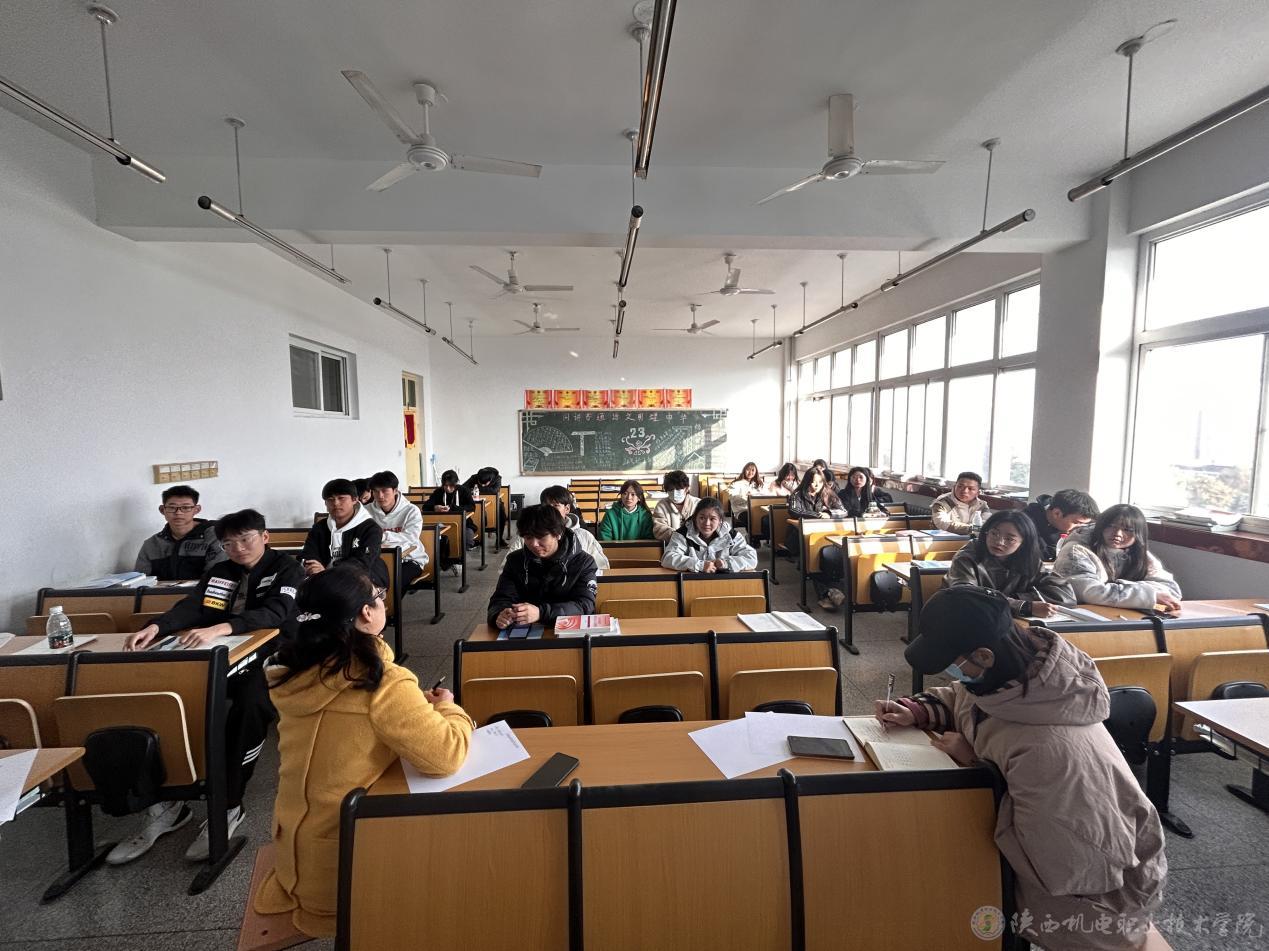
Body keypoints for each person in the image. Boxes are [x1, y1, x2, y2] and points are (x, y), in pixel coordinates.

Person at [878, 587, 1166, 950]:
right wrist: (917, 710)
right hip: (1065, 861)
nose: (954, 673)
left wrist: (976, 767)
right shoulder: (1010, 677)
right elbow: (963, 698)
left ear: (983, 656)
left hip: (1093, 908)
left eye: (952, 661)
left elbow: (1069, 864)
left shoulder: (1049, 750)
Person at [254, 566, 473, 938]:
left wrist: (411, 704)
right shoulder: (381, 681)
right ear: (366, 614)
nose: (383, 603)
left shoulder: (291, 670)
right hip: (344, 868)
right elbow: (446, 755)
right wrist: (449, 708)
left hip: (293, 852)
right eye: (378, 597)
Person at [121, 509, 303, 865]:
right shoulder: (222, 572)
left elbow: (277, 612)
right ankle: (167, 803)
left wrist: (223, 627)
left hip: (276, 652)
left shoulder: (286, 568)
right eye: (229, 543)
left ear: (265, 537)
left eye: (245, 539)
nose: (238, 548)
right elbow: (197, 607)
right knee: (166, 699)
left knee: (249, 705)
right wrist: (157, 627)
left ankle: (229, 803)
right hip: (223, 652)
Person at [945, 510, 1075, 618]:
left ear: (1024, 542)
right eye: (994, 533)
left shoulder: (1029, 560)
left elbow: (1065, 595)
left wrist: (1014, 599)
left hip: (1009, 623)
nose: (999, 542)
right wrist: (1023, 606)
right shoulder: (967, 557)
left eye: (1009, 539)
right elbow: (965, 595)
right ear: (986, 532)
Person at [1053, 504, 1182, 612]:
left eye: (1128, 529)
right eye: (1111, 526)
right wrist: (1148, 595)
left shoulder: (1138, 553)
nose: (1118, 534)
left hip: (1122, 615)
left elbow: (1171, 589)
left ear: (1138, 534)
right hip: (1080, 614)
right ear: (1101, 526)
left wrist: (1126, 589)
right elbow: (1091, 592)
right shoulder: (1076, 550)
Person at [488, 505, 598, 629]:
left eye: (541, 537)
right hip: (525, 630)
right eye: (528, 537)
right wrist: (500, 614)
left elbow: (584, 605)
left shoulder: (584, 562)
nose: (534, 544)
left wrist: (541, 613)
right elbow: (501, 598)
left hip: (570, 631)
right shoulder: (515, 561)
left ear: (558, 534)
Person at [301, 478, 387, 587]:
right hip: (322, 579)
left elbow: (362, 562)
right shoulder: (319, 527)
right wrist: (313, 567)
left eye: (341, 498)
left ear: (354, 500)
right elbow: (308, 553)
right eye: (330, 499)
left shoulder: (370, 528)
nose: (336, 503)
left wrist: (327, 572)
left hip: (361, 580)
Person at [135, 484, 226, 580]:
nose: (178, 513)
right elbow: (140, 581)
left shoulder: (216, 536)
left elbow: (216, 577)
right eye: (172, 508)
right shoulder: (151, 544)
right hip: (160, 590)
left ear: (196, 510)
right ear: (162, 510)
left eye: (186, 508)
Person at [787, 469, 848, 609]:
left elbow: (843, 511)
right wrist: (818, 515)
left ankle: (829, 594)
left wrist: (830, 513)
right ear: (807, 481)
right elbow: (794, 511)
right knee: (814, 557)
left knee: (826, 556)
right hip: (800, 536)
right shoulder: (797, 494)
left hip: (825, 535)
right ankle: (827, 593)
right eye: (813, 482)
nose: (816, 485)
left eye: (820, 482)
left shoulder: (828, 493)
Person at [509, 486, 610, 569]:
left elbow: (602, 569)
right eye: (546, 506)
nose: (550, 511)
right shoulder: (528, 536)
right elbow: (507, 568)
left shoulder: (584, 536)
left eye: (555, 506)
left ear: (567, 508)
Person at [366, 470, 428, 586]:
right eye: (376, 491)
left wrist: (382, 536)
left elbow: (410, 538)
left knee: (393, 583)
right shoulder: (365, 511)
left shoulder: (411, 511)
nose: (380, 496)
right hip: (376, 559)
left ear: (395, 490)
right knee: (362, 583)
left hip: (410, 559)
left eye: (384, 491)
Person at [661, 498, 757, 573]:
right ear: (695, 518)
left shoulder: (731, 535)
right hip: (692, 583)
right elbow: (668, 558)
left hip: (725, 583)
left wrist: (726, 563)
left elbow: (751, 558)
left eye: (712, 519)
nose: (707, 523)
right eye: (702, 518)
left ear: (720, 521)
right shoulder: (682, 534)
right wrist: (699, 565)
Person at [1024, 489, 1100, 562]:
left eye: (1085, 524)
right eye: (1077, 523)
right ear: (1057, 513)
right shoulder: (1025, 523)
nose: (1080, 527)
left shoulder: (1062, 524)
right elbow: (1035, 555)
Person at [423, 469, 477, 549]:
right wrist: (435, 508)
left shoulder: (464, 490)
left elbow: (472, 507)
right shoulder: (438, 492)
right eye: (445, 485)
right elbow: (425, 507)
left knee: (466, 543)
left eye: (451, 486)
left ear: (456, 483)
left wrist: (454, 508)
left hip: (464, 524)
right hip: (442, 523)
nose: (448, 488)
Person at [652, 470, 700, 541]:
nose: (674, 492)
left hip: (695, 544)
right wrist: (679, 536)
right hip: (671, 545)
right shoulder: (661, 506)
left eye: (678, 489)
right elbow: (659, 529)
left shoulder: (698, 504)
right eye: (671, 490)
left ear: (686, 488)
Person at [727, 462, 766, 529]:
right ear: (744, 470)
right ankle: (752, 535)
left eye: (753, 470)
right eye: (748, 469)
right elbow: (733, 499)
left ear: (756, 472)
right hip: (742, 510)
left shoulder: (758, 483)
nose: (750, 472)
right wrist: (746, 497)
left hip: (757, 509)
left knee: (768, 518)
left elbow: (765, 495)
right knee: (752, 518)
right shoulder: (736, 484)